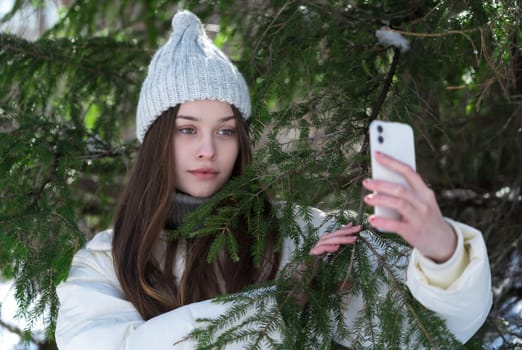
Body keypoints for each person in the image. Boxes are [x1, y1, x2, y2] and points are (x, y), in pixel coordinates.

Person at [54, 10, 492, 349]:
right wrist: (277, 303)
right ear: (155, 143)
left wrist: (443, 253)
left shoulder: (301, 234)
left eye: (225, 130)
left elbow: (431, 332)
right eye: (187, 129)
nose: (208, 149)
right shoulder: (106, 261)